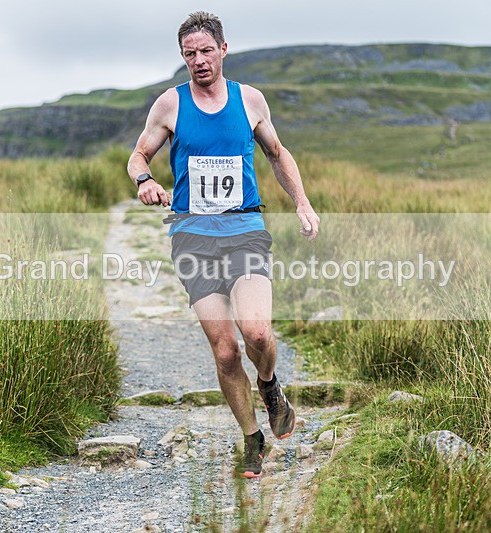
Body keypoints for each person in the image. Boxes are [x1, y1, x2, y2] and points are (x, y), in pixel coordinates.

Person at [127, 11, 320, 479]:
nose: (198, 61)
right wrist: (145, 181)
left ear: (223, 50)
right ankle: (252, 438)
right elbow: (138, 155)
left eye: (206, 51)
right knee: (226, 350)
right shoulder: (169, 105)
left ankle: (270, 386)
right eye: (189, 54)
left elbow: (277, 153)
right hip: (192, 236)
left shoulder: (250, 100)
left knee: (256, 333)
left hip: (245, 230)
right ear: (183, 58)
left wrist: (302, 202)